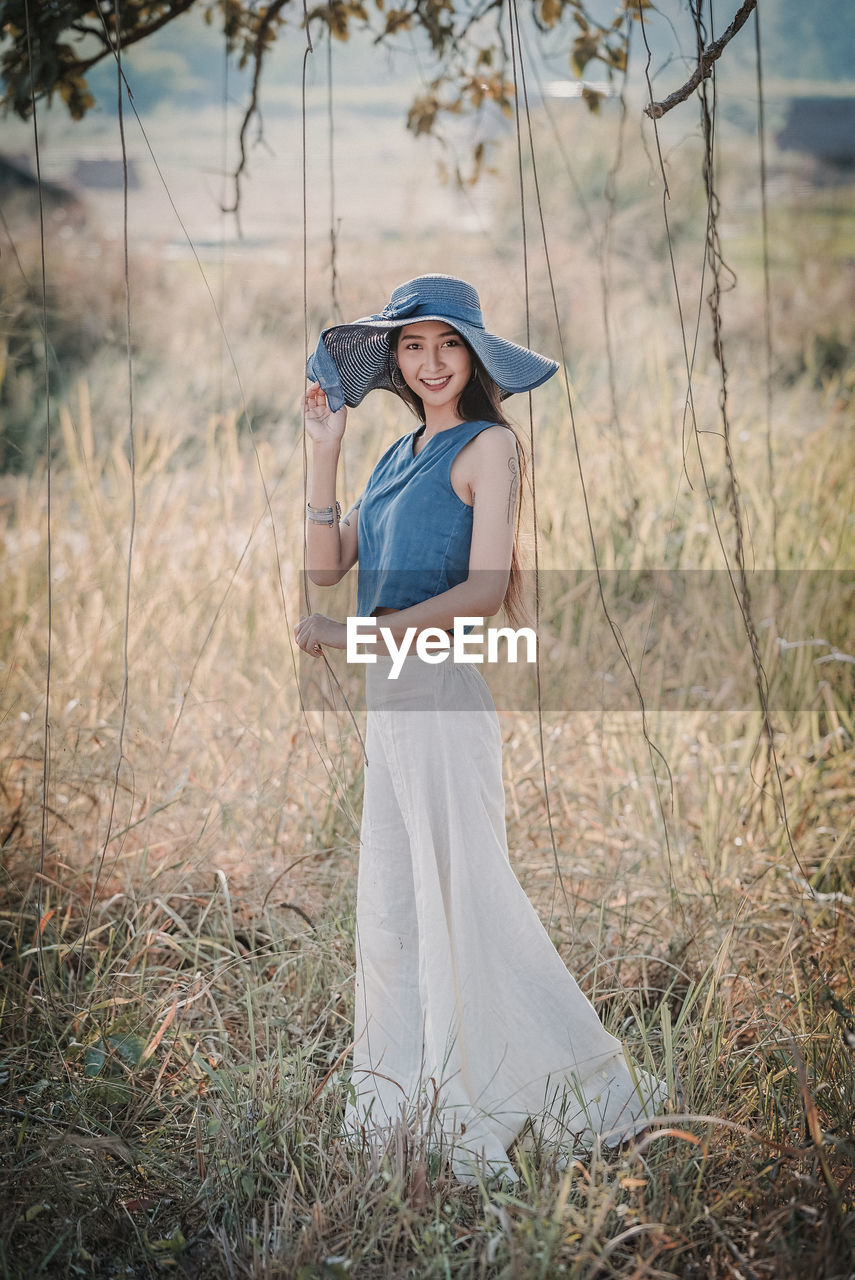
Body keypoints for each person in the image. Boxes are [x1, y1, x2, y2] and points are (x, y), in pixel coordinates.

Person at [295, 274, 665, 1183]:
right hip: (391, 707)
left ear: (473, 356)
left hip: (438, 699)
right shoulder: (389, 458)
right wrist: (325, 451)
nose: (429, 362)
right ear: (394, 360)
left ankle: (540, 1088)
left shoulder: (487, 446)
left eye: (446, 345)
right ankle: (408, 1094)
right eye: (412, 347)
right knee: (392, 913)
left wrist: (354, 638)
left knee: (464, 899)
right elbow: (326, 564)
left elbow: (486, 590)